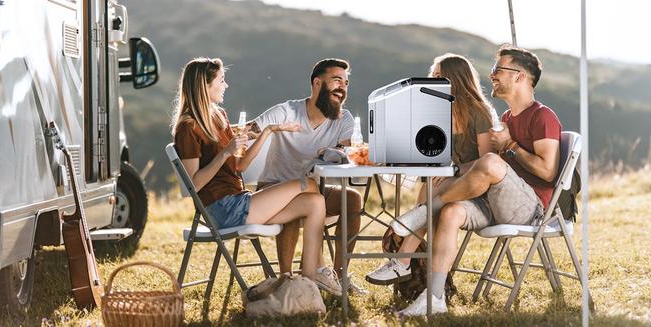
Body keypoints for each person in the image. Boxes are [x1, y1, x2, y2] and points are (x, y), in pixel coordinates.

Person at [396, 45, 562, 316]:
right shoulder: (507, 118)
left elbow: (548, 172)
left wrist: (510, 146)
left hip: (529, 209)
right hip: (495, 201)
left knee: (489, 162)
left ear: (520, 76)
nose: (492, 75)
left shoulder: (542, 116)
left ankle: (425, 213)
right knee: (451, 212)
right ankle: (434, 298)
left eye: (498, 69)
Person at [171, 57, 341, 294]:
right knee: (308, 184)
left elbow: (240, 166)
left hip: (239, 200)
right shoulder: (188, 127)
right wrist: (225, 152)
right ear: (204, 85)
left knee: (315, 202)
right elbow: (194, 184)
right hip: (222, 208)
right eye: (221, 80)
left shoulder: (218, 116)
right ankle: (314, 273)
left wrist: (269, 131)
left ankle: (309, 281)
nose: (226, 85)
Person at [365, 53, 496, 286]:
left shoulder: (479, 111)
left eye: (438, 76)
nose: (432, 81)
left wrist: (455, 169)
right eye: (432, 75)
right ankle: (405, 262)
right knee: (430, 189)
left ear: (455, 78)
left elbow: (487, 160)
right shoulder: (437, 110)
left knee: (430, 198)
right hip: (446, 182)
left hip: (474, 185)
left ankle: (403, 261)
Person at [246, 58, 364, 295]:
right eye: (336, 80)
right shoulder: (287, 111)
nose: (343, 87)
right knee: (298, 202)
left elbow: (345, 152)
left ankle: (338, 276)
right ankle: (286, 280)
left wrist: (334, 151)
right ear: (317, 83)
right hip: (273, 188)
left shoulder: (344, 119)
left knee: (352, 199)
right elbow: (247, 131)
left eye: (346, 83)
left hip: (314, 189)